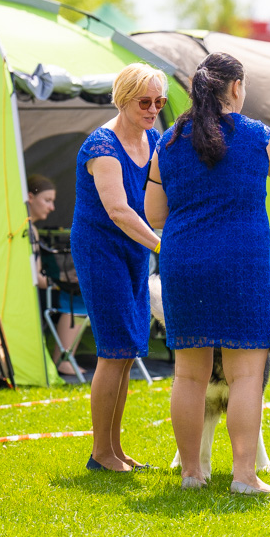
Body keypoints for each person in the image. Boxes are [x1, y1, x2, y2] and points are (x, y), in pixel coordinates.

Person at [145, 52, 270, 494]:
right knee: (247, 374)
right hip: (241, 266)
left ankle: (192, 474)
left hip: (183, 264)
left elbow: (154, 213)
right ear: (236, 88)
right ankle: (244, 477)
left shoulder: (167, 143)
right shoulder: (257, 136)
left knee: (188, 375)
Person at [72, 62, 165, 472]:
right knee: (113, 350)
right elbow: (118, 210)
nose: (153, 109)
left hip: (134, 251)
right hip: (101, 251)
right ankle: (101, 452)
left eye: (159, 102)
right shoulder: (101, 147)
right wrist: (164, 246)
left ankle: (115, 448)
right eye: (145, 101)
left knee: (127, 350)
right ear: (123, 99)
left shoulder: (156, 140)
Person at [27, 174, 86, 376]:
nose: (52, 207)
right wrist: (63, 280)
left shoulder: (29, 228)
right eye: (47, 200)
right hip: (34, 295)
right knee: (78, 300)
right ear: (30, 197)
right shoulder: (28, 230)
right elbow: (36, 278)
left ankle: (64, 358)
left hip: (35, 291)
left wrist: (63, 276)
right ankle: (62, 359)